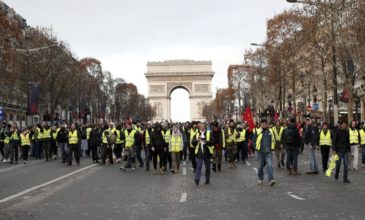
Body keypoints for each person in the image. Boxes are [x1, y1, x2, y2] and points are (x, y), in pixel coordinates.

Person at [253, 118, 276, 186]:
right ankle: (260, 178)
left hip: (268, 152)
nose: (264, 124)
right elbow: (253, 141)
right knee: (260, 166)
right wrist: (256, 148)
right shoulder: (257, 131)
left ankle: (271, 179)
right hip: (260, 152)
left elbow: (273, 140)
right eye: (262, 123)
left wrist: (273, 148)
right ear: (260, 124)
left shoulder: (271, 131)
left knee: (270, 165)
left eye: (265, 123)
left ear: (267, 124)